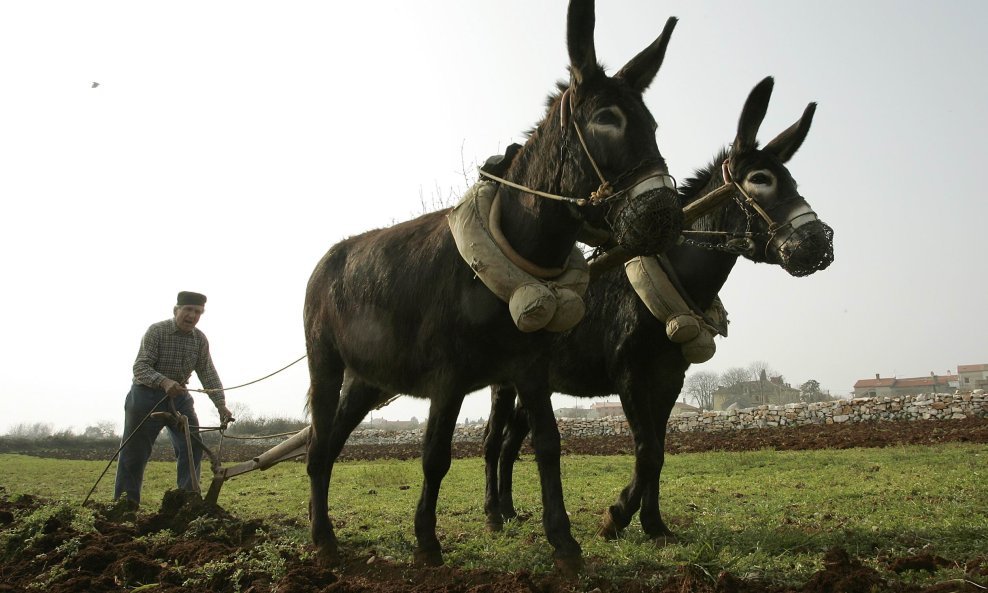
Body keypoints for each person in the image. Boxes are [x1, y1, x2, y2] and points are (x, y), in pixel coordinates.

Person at [114, 291, 234, 505]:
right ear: (176, 310)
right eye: (188, 310)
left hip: (179, 398)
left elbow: (208, 373)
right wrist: (164, 382)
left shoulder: (199, 339)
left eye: (198, 312)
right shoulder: (157, 331)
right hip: (145, 396)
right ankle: (125, 506)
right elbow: (140, 367)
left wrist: (221, 405)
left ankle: (188, 502)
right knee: (134, 453)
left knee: (192, 445)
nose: (192, 316)